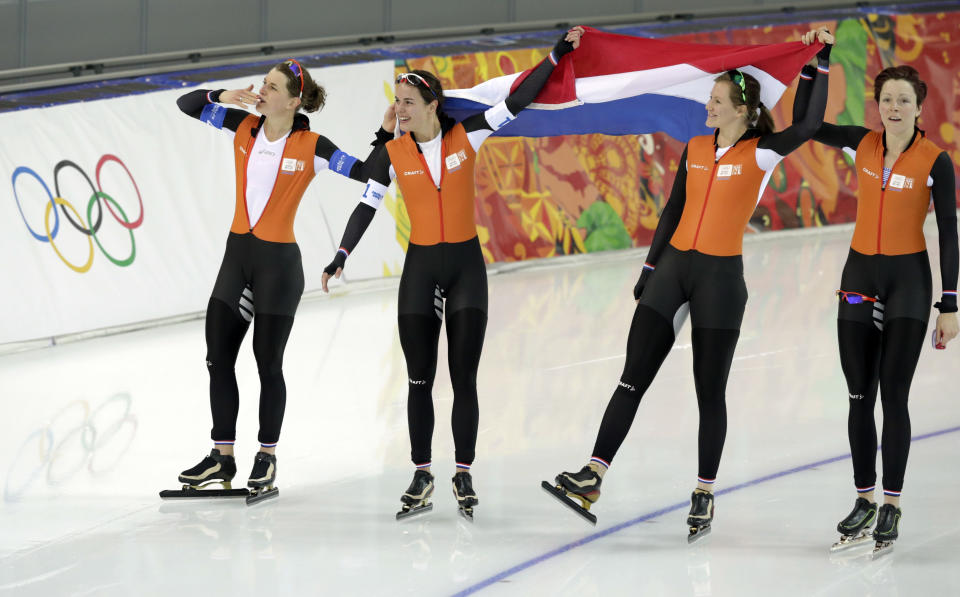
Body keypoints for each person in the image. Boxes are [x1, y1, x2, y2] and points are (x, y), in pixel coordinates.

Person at [544, 28, 833, 539]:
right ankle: (592, 475)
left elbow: (809, 123)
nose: (708, 105)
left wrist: (818, 58)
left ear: (742, 110)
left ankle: (704, 491)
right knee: (631, 377)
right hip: (673, 271)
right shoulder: (697, 147)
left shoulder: (762, 153)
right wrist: (650, 268)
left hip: (720, 281)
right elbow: (673, 210)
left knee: (709, 392)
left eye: (717, 100)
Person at [320, 27, 585, 520]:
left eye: (407, 101)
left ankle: (462, 472)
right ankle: (422, 475)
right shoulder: (393, 155)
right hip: (420, 270)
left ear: (432, 103)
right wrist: (341, 254)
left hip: (466, 268)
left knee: (464, 377)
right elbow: (365, 205)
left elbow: (520, 98)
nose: (399, 108)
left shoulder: (471, 133)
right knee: (420, 380)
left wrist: (555, 55)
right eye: (395, 100)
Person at [172, 59, 385, 500]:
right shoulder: (243, 126)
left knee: (267, 363)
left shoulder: (313, 145)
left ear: (292, 100)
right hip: (238, 257)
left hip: (279, 268)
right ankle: (222, 456)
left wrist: (385, 137)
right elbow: (185, 103)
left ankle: (266, 458)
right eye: (263, 84)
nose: (262, 91)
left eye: (272, 87)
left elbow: (366, 173)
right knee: (217, 358)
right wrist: (221, 95)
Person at [792, 64, 959, 553]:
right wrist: (813, 70)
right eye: (887, 99)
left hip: (908, 282)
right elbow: (806, 125)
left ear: (918, 106)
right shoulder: (862, 143)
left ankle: (892, 503)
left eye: (904, 100)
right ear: (878, 104)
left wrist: (949, 302)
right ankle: (864, 498)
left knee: (894, 394)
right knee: (858, 394)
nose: (894, 108)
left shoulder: (935, 160)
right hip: (859, 277)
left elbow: (948, 234)